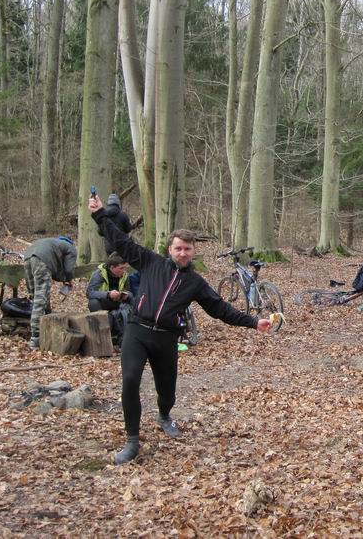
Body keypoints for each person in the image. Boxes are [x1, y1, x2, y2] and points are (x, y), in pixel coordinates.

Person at [88, 194, 271, 465]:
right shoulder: (149, 261)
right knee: (129, 381)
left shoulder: (195, 283)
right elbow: (121, 241)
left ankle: (164, 416)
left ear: (193, 251)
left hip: (166, 339)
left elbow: (219, 308)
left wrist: (254, 322)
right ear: (169, 249)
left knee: (168, 391)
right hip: (137, 332)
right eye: (178, 248)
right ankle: (132, 441)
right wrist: (99, 214)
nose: (182, 253)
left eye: (187, 249)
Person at [23, 236, 77, 349]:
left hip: (27, 258)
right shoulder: (71, 248)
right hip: (41, 261)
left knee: (36, 298)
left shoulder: (52, 243)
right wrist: (68, 279)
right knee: (39, 300)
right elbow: (68, 269)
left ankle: (45, 326)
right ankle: (36, 337)